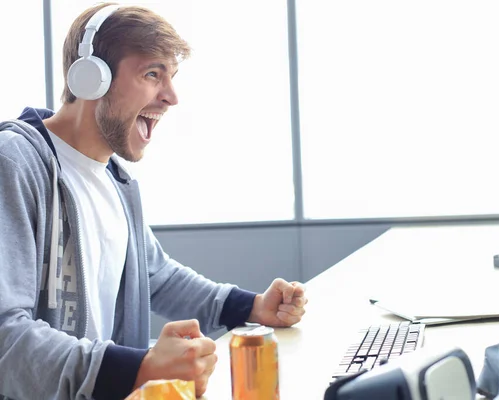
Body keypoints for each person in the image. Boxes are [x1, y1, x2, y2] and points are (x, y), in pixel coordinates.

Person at [0, 3, 307, 399]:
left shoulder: (117, 181)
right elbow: (6, 335)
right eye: (152, 74)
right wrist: (140, 367)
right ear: (91, 77)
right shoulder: (16, 163)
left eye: (172, 77)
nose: (172, 96)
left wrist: (252, 307)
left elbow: (156, 275)